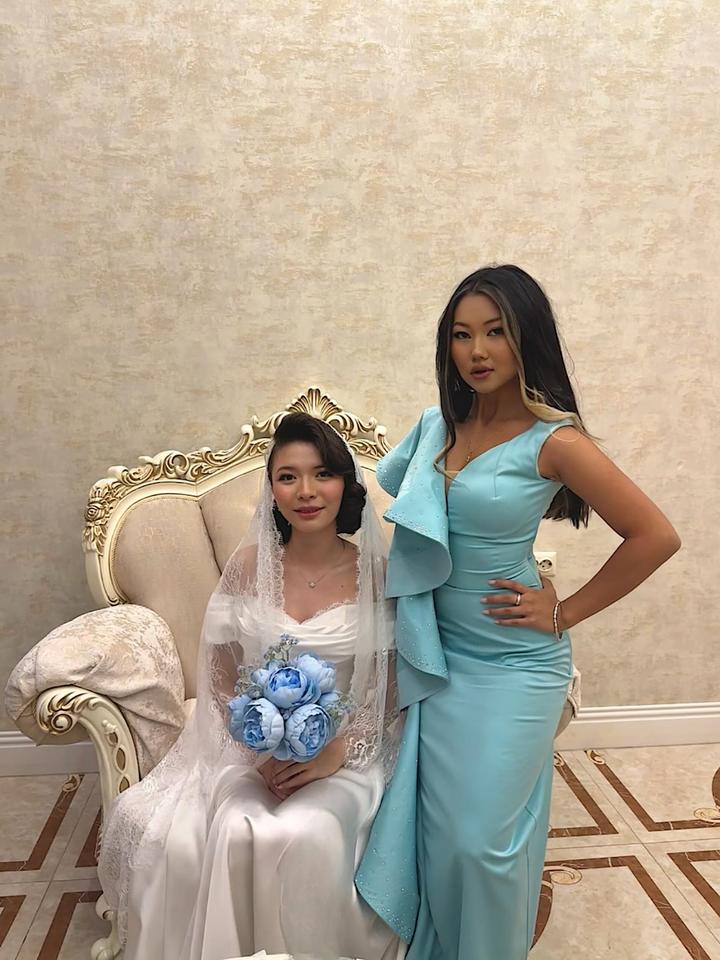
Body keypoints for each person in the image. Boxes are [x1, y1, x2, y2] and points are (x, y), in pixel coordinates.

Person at [356, 264, 681, 960]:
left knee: (480, 842)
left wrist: (565, 612)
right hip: (441, 659)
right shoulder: (437, 427)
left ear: (525, 337)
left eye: (495, 332)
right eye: (461, 334)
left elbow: (656, 536)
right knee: (442, 835)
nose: (476, 351)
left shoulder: (554, 441)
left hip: (515, 664)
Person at [98, 412, 404, 960]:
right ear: (271, 490)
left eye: (322, 474)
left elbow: (390, 683)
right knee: (239, 826)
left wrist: (338, 750)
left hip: (346, 754)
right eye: (288, 476)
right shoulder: (247, 568)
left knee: (307, 832)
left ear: (345, 484)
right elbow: (219, 676)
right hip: (255, 752)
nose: (305, 491)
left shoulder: (375, 575)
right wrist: (257, 747)